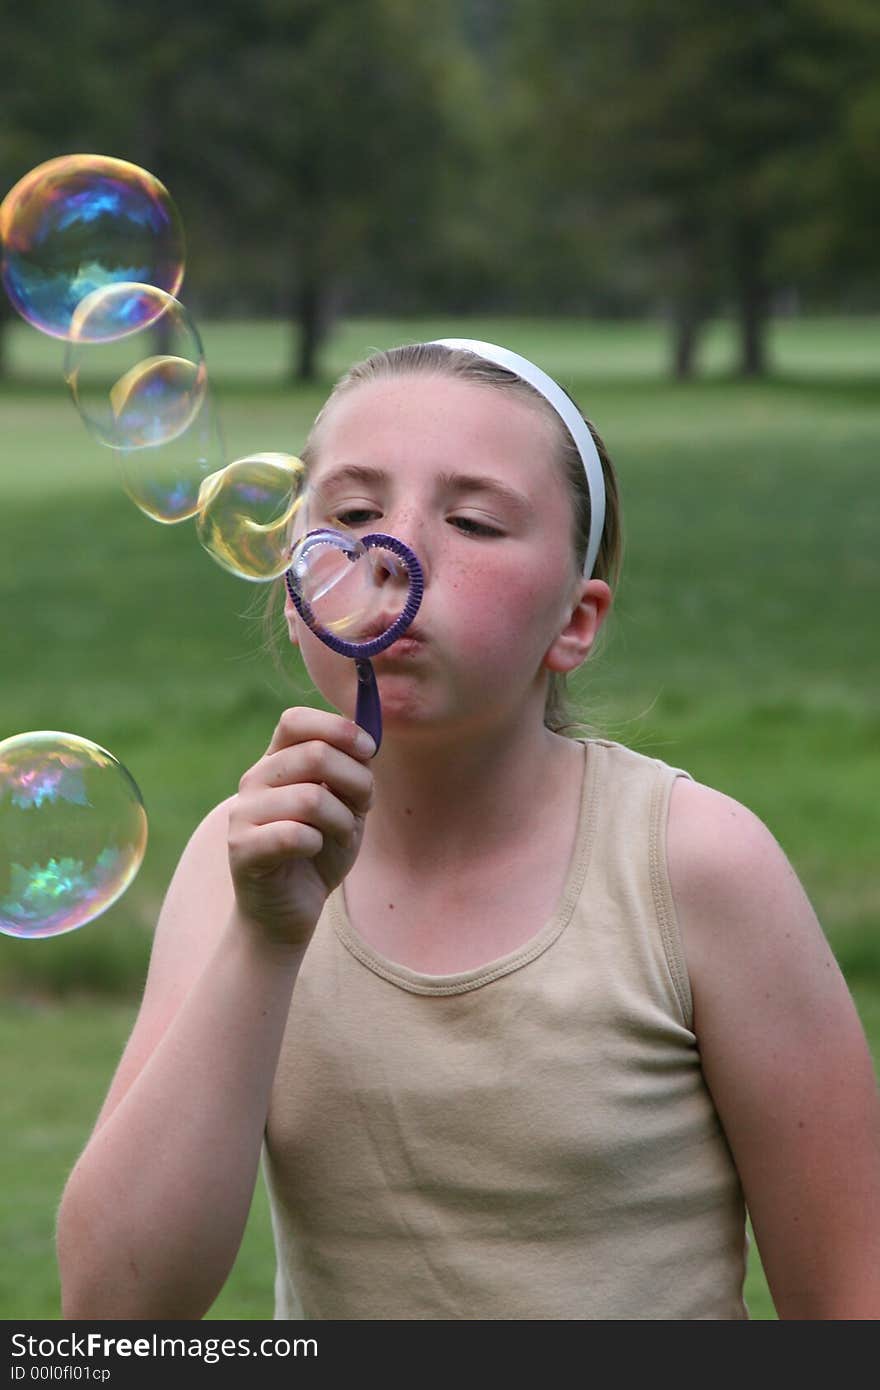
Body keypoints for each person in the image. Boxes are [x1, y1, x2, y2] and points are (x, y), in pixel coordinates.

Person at [56, 339, 880, 1321]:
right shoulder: (240, 867)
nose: (394, 553)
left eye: (474, 520)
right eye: (353, 514)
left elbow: (847, 1294)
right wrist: (265, 938)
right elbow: (113, 1311)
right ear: (297, 595)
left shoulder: (691, 864)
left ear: (575, 622)